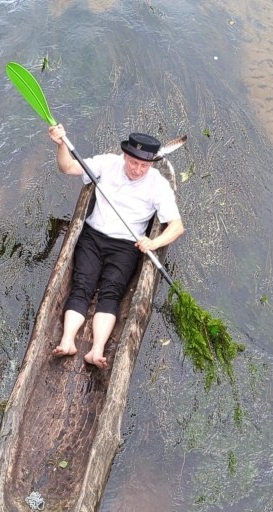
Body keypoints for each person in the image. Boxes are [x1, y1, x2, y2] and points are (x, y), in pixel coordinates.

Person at [47, 123, 185, 369]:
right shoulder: (106, 163)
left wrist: (153, 242)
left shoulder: (157, 184)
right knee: (82, 286)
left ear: (152, 163)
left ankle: (96, 350)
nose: (138, 169)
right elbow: (67, 166)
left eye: (144, 165)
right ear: (125, 156)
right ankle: (67, 340)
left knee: (111, 293)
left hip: (126, 246)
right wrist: (61, 144)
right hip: (92, 237)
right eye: (134, 163)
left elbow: (176, 227)